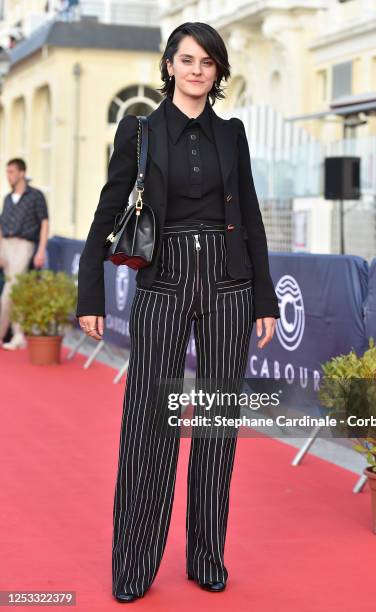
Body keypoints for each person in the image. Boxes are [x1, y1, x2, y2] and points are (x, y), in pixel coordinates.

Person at [76, 22, 281, 603]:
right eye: (186, 59)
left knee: (216, 426)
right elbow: (107, 210)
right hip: (162, 281)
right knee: (149, 424)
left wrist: (263, 296)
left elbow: (254, 217)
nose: (196, 69)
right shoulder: (140, 131)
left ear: (217, 72)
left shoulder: (232, 134)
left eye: (207, 61)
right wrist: (90, 292)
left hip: (228, 282)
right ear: (168, 65)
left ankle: (206, 555)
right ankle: (135, 563)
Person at [0, 159, 49, 349]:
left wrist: (41, 249)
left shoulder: (36, 196)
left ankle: (12, 334)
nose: (8, 175)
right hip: (6, 245)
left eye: (11, 171)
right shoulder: (7, 198)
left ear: (22, 173)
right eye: (7, 172)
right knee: (15, 293)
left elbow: (44, 223)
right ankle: (15, 335)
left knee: (10, 292)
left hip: (24, 245)